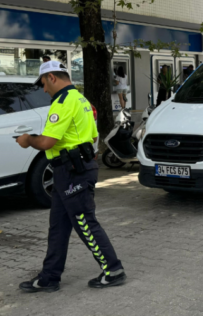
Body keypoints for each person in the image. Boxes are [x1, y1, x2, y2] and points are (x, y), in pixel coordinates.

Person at [16, 61, 126, 292]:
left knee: (85, 222)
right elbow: (93, 136)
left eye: (44, 83)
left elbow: (46, 142)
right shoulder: (82, 100)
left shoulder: (63, 102)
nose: (44, 89)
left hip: (73, 171)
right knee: (58, 226)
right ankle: (49, 278)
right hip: (72, 169)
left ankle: (113, 270)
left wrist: (27, 140)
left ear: (52, 78)